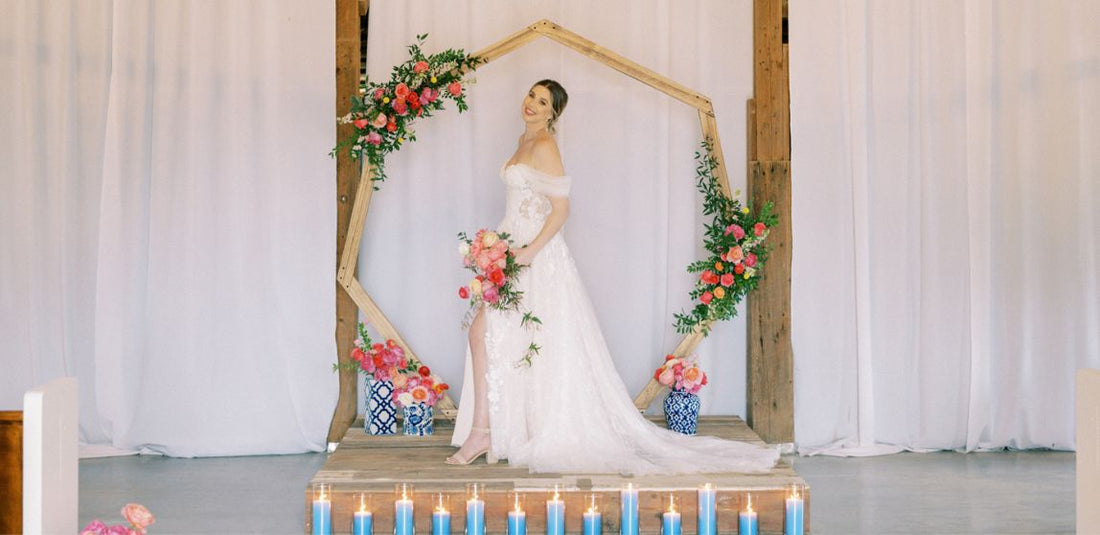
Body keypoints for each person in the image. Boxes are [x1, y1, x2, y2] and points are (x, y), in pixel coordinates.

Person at [446, 80, 779, 475]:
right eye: (531, 96)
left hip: (535, 255)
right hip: (511, 248)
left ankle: (485, 430)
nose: (532, 105)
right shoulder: (522, 139)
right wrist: (496, 245)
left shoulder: (546, 145)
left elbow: (561, 209)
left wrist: (529, 252)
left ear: (554, 113)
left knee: (493, 333)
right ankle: (493, 429)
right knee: (493, 335)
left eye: (543, 102)